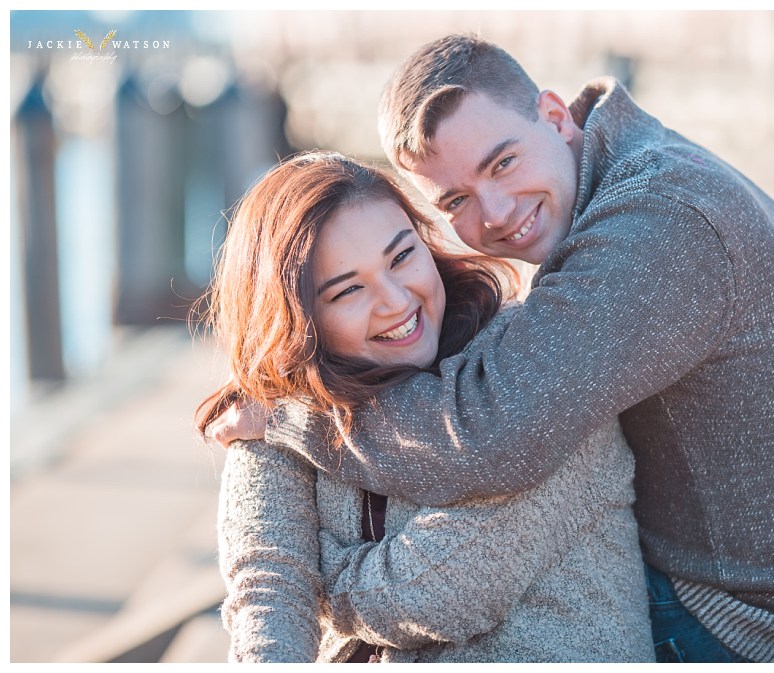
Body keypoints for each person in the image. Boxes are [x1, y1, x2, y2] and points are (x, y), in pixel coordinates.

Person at [214, 35, 774, 663]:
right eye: (455, 201)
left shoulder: (657, 225)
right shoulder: (624, 178)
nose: (494, 213)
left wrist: (292, 425)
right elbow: (269, 571)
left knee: (529, 536)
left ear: (555, 116)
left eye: (503, 162)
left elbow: (494, 432)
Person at [197, 151, 655, 663]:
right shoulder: (280, 408)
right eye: (348, 290)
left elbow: (446, 590)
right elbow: (269, 589)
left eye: (401, 257)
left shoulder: (532, 370)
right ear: (298, 318)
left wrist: (321, 581)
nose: (395, 301)